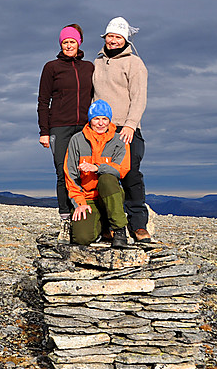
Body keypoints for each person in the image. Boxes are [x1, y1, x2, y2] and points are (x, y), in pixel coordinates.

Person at [92, 16, 151, 243]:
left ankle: (138, 226)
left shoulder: (134, 63)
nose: (113, 41)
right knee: (104, 176)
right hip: (101, 128)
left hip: (126, 127)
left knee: (131, 175)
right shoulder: (97, 62)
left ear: (125, 39)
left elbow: (139, 97)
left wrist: (130, 124)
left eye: (117, 37)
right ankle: (108, 226)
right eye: (110, 36)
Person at [37, 24, 94, 242]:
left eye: (72, 41)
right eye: (65, 42)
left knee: (85, 171)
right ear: (61, 45)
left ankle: (87, 216)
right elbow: (43, 101)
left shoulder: (89, 67)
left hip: (85, 127)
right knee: (63, 172)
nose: (69, 45)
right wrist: (44, 131)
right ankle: (65, 218)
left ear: (79, 43)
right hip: (59, 127)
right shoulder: (51, 67)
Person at [65, 100, 130, 248]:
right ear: (90, 120)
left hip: (110, 196)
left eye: (104, 119)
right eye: (96, 119)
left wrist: (97, 168)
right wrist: (79, 203)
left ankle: (119, 230)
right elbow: (70, 175)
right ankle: (103, 226)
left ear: (109, 120)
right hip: (88, 198)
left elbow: (122, 170)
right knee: (81, 238)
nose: (101, 123)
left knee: (106, 179)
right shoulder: (77, 140)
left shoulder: (120, 140)